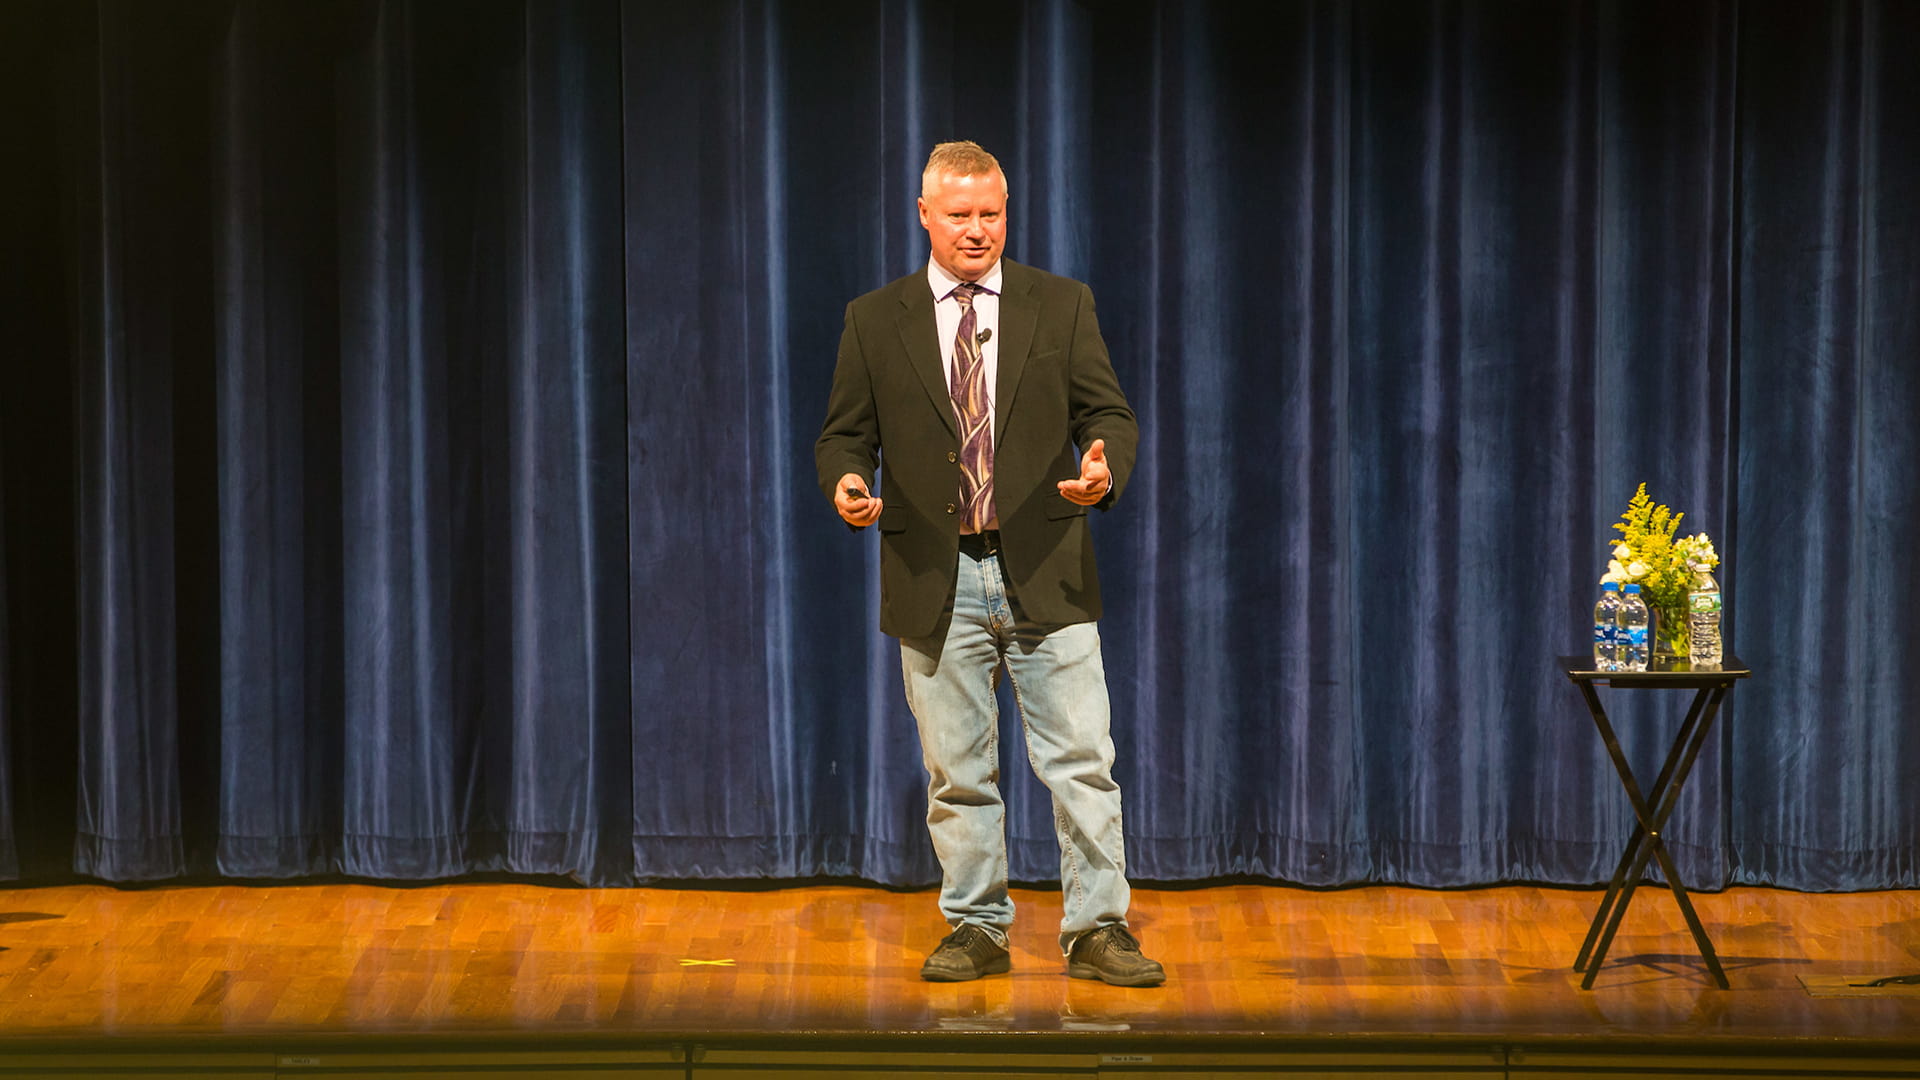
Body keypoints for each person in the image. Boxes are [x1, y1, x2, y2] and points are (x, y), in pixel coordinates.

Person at [815, 141, 1162, 986]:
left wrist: (1104, 463)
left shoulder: (1060, 304)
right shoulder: (875, 318)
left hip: (1044, 564)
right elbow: (844, 434)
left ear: (1007, 213)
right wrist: (849, 481)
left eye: (991, 214)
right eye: (960, 215)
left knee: (1082, 760)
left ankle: (1098, 929)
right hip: (936, 576)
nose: (978, 231)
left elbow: (1107, 412)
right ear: (926, 215)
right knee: (958, 771)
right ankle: (976, 925)